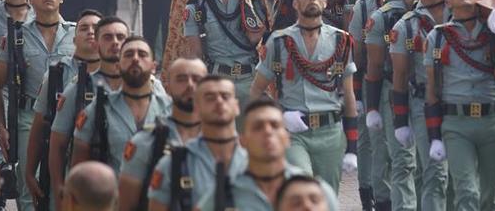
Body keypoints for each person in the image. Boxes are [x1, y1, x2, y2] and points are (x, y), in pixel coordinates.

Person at [250, 0, 359, 193]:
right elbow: (256, 91)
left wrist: (352, 147)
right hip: (293, 133)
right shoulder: (280, 41)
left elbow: (348, 95)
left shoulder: (341, 41)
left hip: (330, 131)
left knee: (327, 198)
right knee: (300, 190)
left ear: (325, 2)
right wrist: (278, 116)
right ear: (296, 3)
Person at [423, 0, 495, 211]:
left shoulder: (494, 32)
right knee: (466, 192)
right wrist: (434, 135)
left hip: (493, 119)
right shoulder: (438, 36)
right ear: (448, 0)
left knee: (493, 196)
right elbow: (432, 88)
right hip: (457, 122)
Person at [0, 0, 75, 210]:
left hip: (68, 115)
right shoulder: (15, 37)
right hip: (28, 117)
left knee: (68, 180)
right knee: (29, 186)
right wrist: (1, 127)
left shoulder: (77, 34)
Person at [195, 98, 339, 211]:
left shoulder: (315, 193)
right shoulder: (223, 194)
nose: (268, 132)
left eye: (275, 125)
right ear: (243, 141)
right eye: (258, 127)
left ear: (287, 137)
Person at [47, 16, 130, 206]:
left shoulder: (152, 88)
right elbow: (58, 144)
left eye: (120, 37)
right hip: (95, 195)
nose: (115, 42)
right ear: (98, 44)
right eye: (108, 37)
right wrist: (60, 189)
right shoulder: (79, 87)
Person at [389, 0, 449, 210]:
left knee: (460, 175)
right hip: (423, 104)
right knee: (435, 173)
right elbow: (400, 77)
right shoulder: (406, 26)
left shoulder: (461, 15)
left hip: (460, 101)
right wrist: (401, 122)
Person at [25, 9, 101, 209]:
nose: (91, 32)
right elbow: (40, 126)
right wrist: (30, 172)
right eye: (84, 28)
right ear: (74, 39)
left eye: (97, 28)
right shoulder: (58, 74)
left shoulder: (118, 74)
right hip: (66, 166)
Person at [364, 0, 420, 210]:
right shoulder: (382, 16)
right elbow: (373, 66)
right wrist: (372, 107)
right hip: (392, 91)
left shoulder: (437, 11)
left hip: (428, 90)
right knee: (402, 160)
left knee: (431, 162)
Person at [183, 0, 268, 109]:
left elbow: (257, 37)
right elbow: (195, 52)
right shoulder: (195, 5)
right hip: (217, 81)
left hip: (251, 80)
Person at [117, 58, 206, 211]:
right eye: (181, 79)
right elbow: (126, 204)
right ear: (168, 85)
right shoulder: (145, 142)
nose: (190, 85)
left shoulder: (223, 143)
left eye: (197, 79)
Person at [72, 36, 171, 172]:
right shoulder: (98, 108)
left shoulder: (169, 109)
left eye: (142, 55)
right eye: (129, 55)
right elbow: (78, 166)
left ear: (154, 67)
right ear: (118, 67)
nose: (135, 59)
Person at [147, 75, 247, 210]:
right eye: (210, 98)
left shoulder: (258, 164)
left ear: (237, 106)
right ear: (196, 108)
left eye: (225, 96)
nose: (219, 101)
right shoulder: (173, 165)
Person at [347, 0, 394, 210]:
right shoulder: (364, 4)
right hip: (372, 79)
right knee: (370, 141)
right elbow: (356, 50)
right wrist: (358, 91)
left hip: (403, 79)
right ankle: (369, 194)